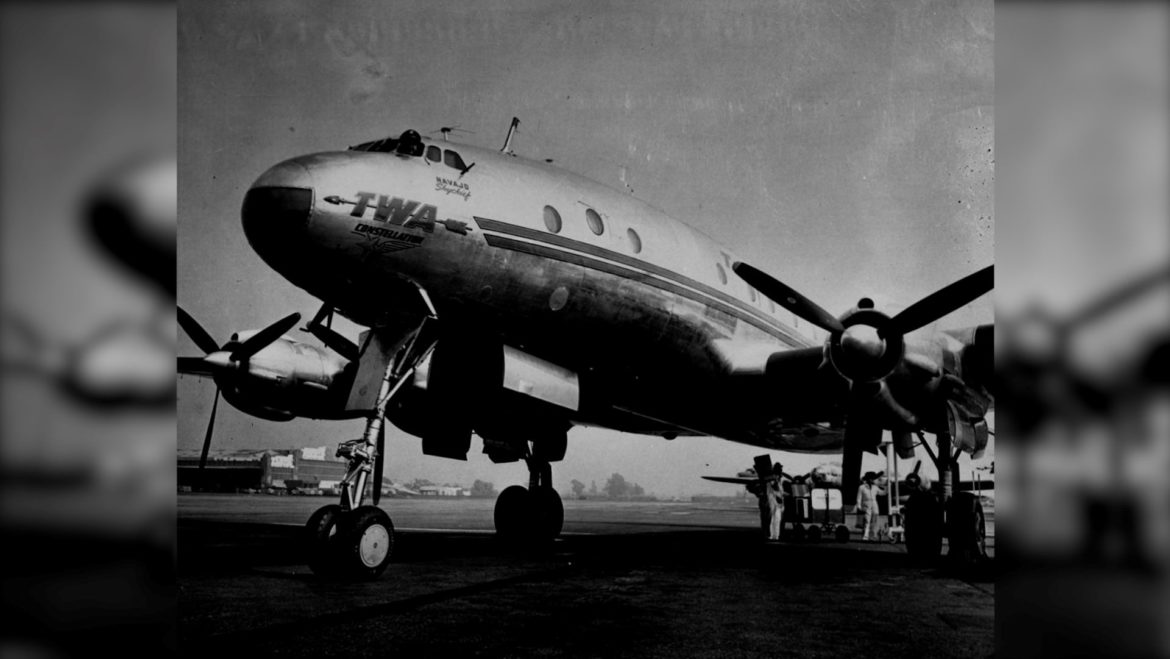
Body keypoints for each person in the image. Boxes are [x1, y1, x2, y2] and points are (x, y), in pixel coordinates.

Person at [857, 472, 885, 541]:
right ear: (868, 479)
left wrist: (887, 487)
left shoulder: (875, 487)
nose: (873, 480)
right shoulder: (862, 487)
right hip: (866, 503)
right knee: (867, 520)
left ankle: (873, 536)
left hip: (874, 503)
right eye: (872, 478)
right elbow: (859, 498)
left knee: (875, 520)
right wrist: (859, 506)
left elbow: (882, 493)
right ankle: (865, 536)